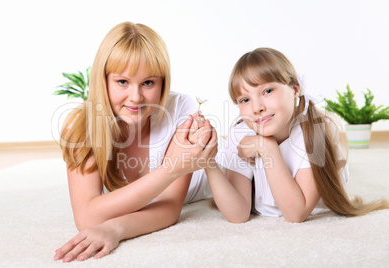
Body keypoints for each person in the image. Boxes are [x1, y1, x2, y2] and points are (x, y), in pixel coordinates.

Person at [54, 22, 216, 262]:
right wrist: (171, 169)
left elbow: (170, 207)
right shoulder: (81, 126)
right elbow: (87, 217)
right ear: (104, 80)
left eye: (148, 83)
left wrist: (115, 228)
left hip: (206, 187)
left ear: (162, 82)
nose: (136, 97)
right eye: (122, 82)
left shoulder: (183, 109)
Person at [201, 47, 388, 223]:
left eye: (267, 91)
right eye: (245, 99)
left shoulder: (315, 132)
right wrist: (208, 162)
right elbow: (238, 214)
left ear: (295, 90)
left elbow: (295, 213)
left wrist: (268, 148)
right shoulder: (241, 131)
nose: (257, 107)